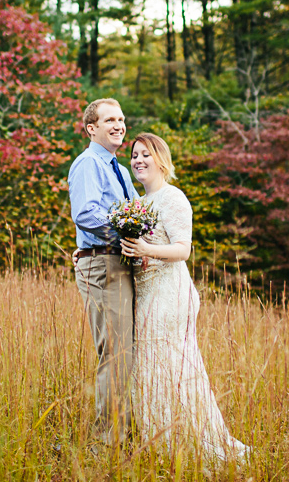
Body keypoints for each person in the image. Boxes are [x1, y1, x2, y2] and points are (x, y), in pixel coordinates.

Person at [119, 132, 250, 462]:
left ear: (161, 159)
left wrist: (147, 249)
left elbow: (182, 249)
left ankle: (190, 442)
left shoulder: (172, 198)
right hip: (146, 291)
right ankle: (162, 441)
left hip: (169, 293)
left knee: (169, 366)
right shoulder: (138, 203)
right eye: (134, 155)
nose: (138, 160)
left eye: (146, 154)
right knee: (149, 368)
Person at [68, 98, 139, 446]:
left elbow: (140, 212)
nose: (119, 125)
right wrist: (125, 235)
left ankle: (125, 429)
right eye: (109, 119)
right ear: (91, 128)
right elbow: (85, 214)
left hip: (121, 263)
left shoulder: (120, 170)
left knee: (127, 350)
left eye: (122, 119)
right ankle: (108, 440)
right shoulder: (88, 164)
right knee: (116, 351)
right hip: (103, 263)